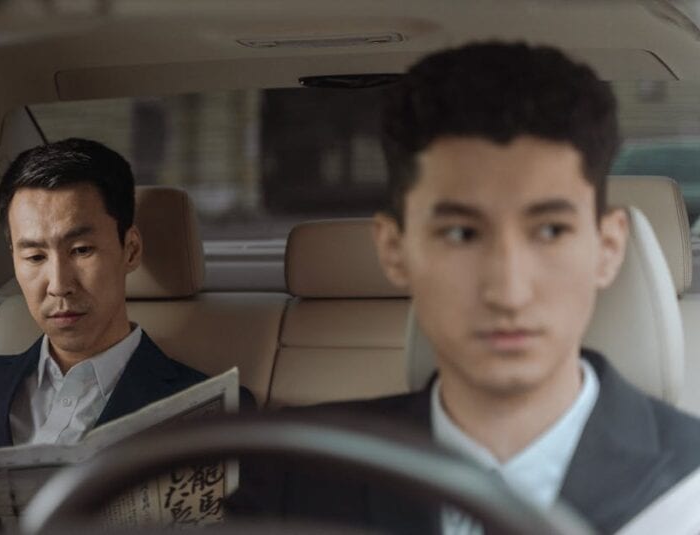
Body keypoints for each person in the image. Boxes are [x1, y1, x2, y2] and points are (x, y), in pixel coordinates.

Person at [230, 42, 700, 533]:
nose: (508, 292)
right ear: (395, 250)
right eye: (460, 234)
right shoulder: (299, 475)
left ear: (607, 248)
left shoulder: (690, 490)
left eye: (551, 231)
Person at [0, 138, 231, 450]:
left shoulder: (209, 411)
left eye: (81, 250)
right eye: (35, 257)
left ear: (131, 250)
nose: (58, 285)